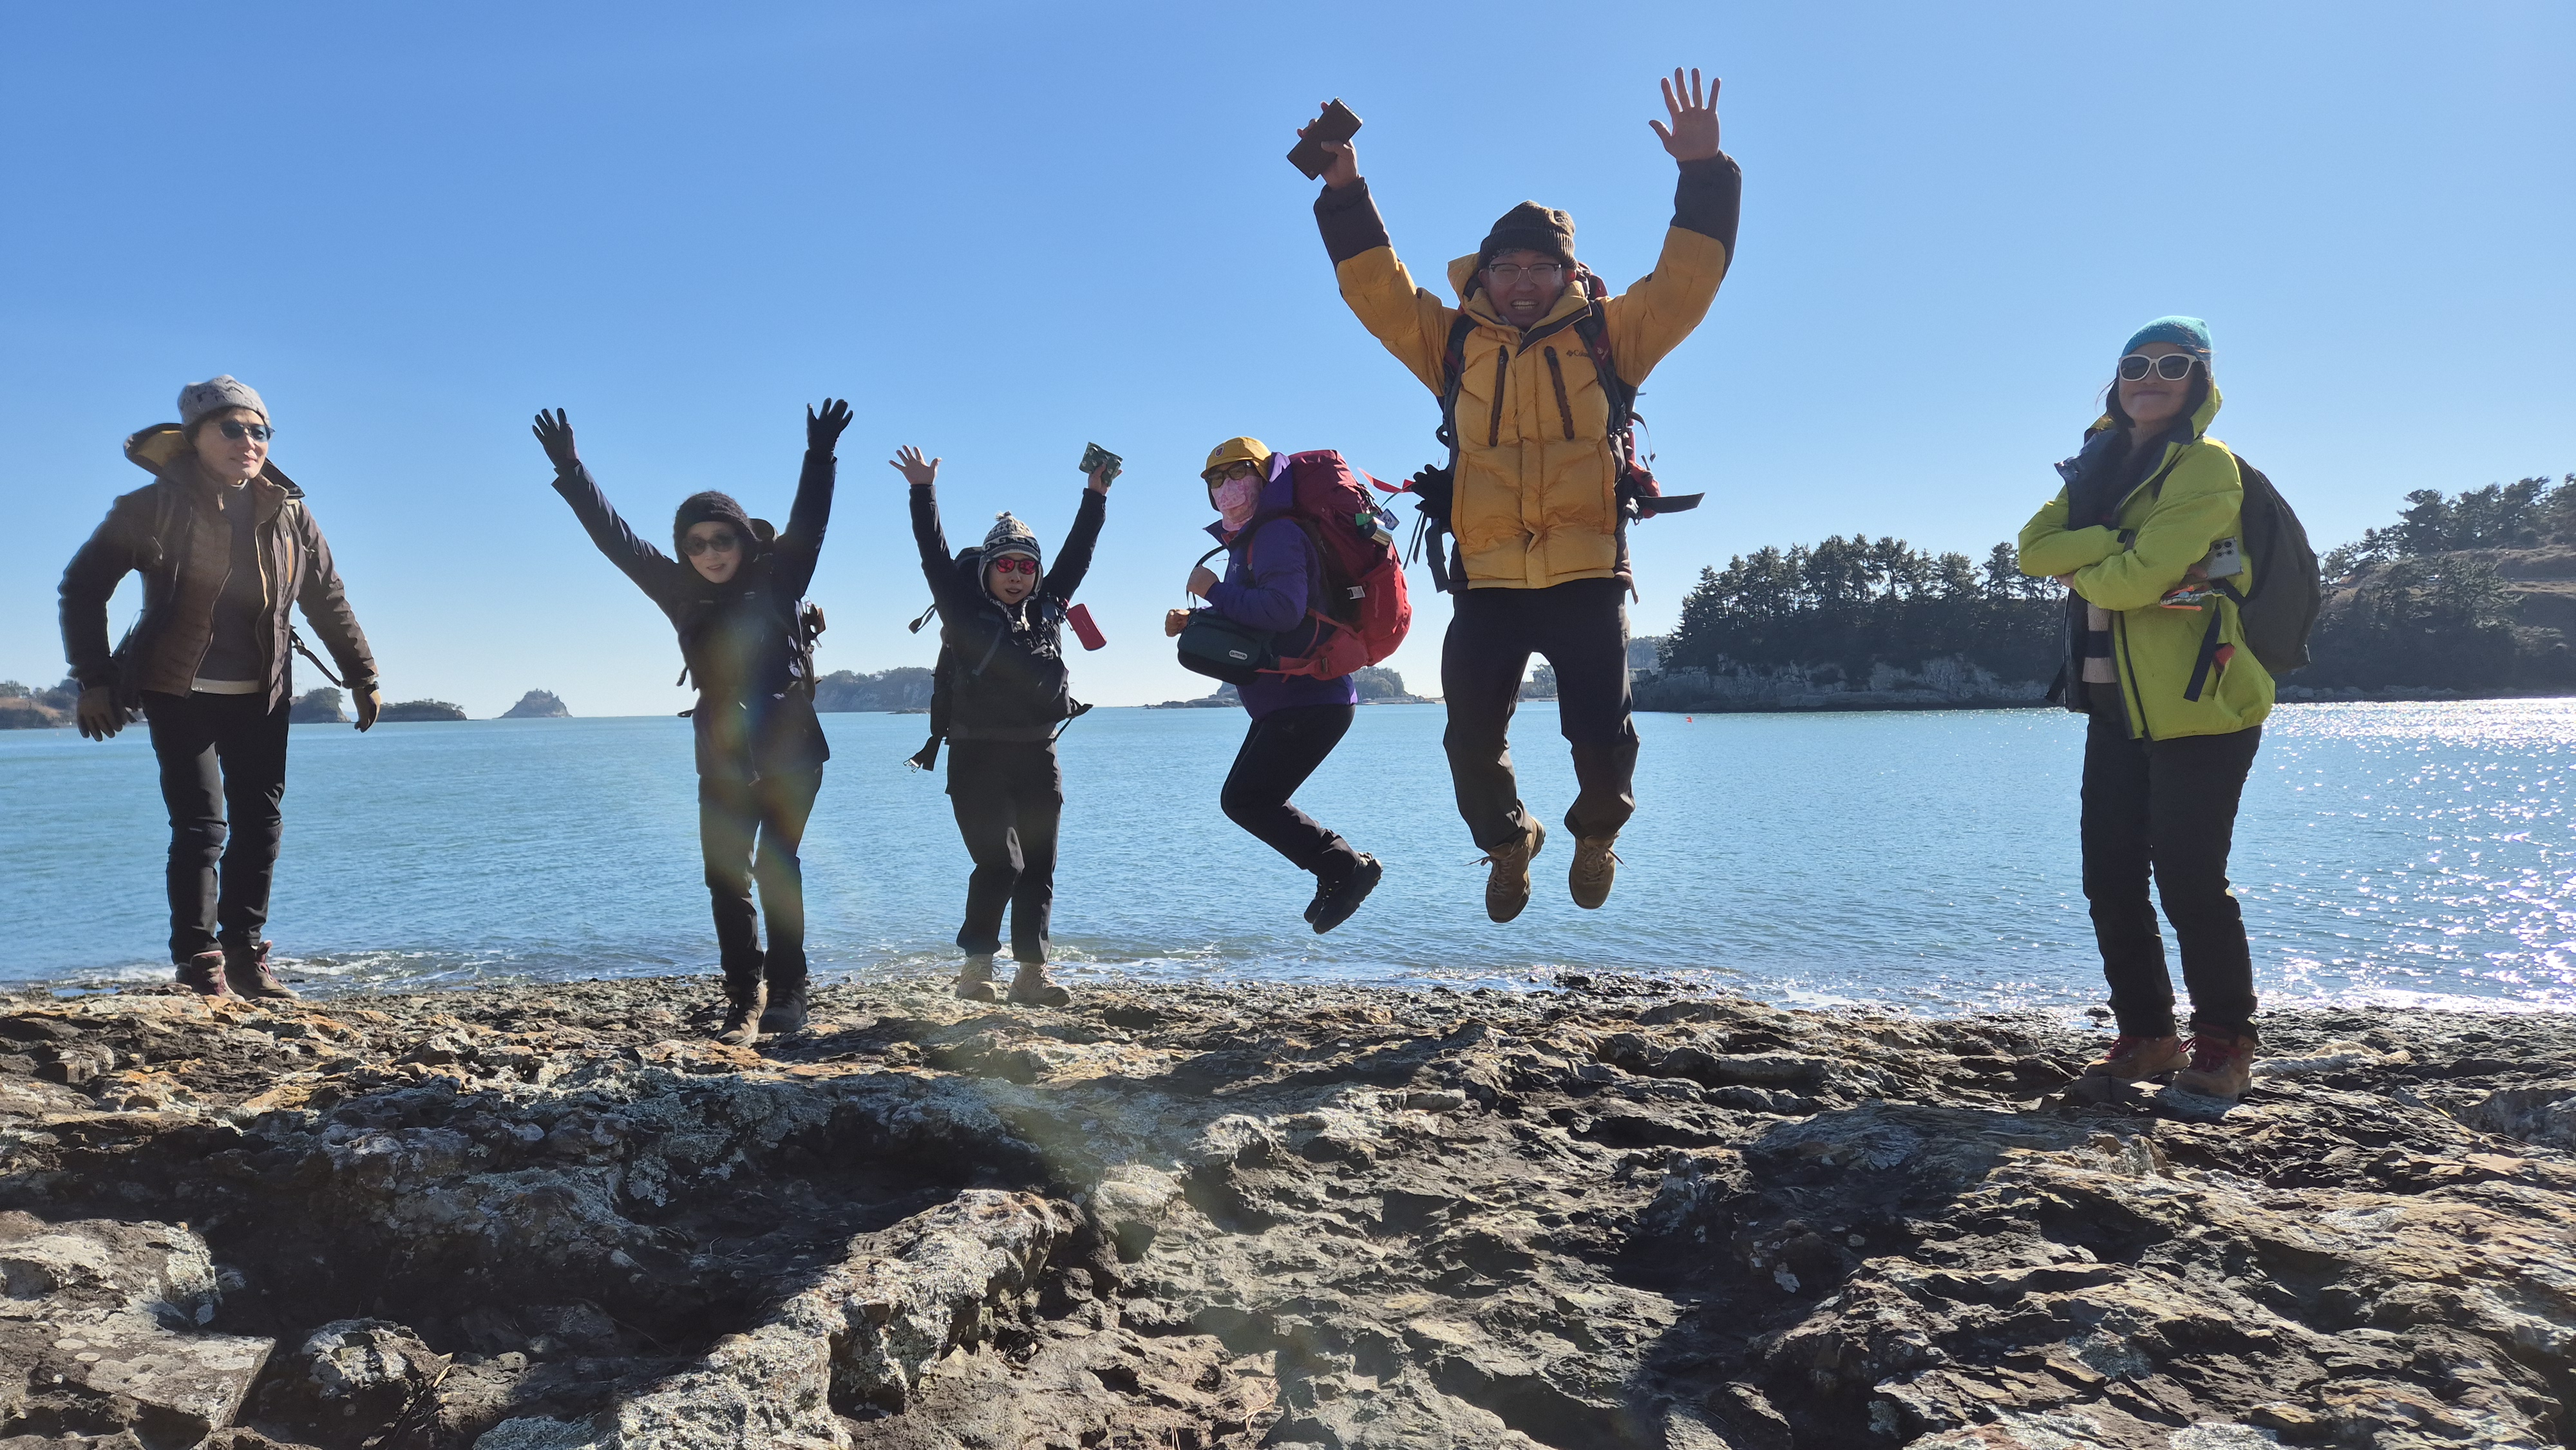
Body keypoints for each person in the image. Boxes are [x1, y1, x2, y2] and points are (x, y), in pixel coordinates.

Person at [1300, 69, 1741, 923]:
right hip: (1488, 582)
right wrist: (1345, 192)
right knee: (1468, 742)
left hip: (1587, 576)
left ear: (1569, 273)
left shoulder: (1612, 337)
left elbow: (1687, 286)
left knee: (1603, 740)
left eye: (1543, 266)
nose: (1525, 281)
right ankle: (1510, 843)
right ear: (1485, 274)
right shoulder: (1452, 344)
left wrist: (1704, 174)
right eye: (1508, 266)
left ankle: (1596, 832)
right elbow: (1378, 294)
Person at [532, 400, 849, 1044]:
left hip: (790, 749)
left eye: (721, 539)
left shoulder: (781, 576)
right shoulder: (677, 588)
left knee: (777, 867)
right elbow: (615, 537)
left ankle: (789, 991)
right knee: (726, 877)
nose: (709, 552)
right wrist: (571, 470)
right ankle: (744, 998)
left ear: (743, 539)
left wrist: (820, 455)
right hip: (722, 750)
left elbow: (809, 523)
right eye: (695, 543)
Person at [59, 376, 381, 999]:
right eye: (232, 428)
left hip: (264, 692)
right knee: (201, 826)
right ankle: (198, 961)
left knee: (261, 825)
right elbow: (83, 588)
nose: (248, 441)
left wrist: (362, 675)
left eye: (261, 431)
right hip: (177, 687)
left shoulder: (289, 513)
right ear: (195, 437)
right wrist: (94, 679)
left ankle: (245, 956)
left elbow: (327, 599)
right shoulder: (151, 507)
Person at [2018, 317, 2273, 1100]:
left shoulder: (2206, 466)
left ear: (2199, 379)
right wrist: (2119, 545)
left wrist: (2093, 561)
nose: (2149, 377)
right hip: (2116, 705)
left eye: (2171, 363)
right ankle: (2149, 1035)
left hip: (2203, 703)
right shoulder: (2095, 461)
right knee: (2110, 878)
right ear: (2117, 380)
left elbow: (2133, 583)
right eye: (2135, 364)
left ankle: (2224, 1044)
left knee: (2190, 881)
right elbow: (2031, 549)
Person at [894, 444, 1110, 1006]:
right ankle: (976, 969)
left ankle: (1031, 975)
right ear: (987, 569)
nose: (1016, 575)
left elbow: (1079, 554)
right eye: (1006, 565)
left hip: (1040, 756)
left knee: (1039, 866)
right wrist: (922, 491)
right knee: (1001, 862)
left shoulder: (1048, 608)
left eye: (1026, 566)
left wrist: (1095, 496)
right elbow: (933, 554)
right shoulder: (962, 610)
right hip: (977, 758)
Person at [1166, 437, 1383, 930]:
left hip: (1310, 700)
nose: (1226, 486)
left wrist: (1213, 590)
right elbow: (1257, 622)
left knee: (1246, 800)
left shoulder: (1276, 533)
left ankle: (1345, 869)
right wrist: (1195, 620)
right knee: (1246, 800)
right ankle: (1338, 870)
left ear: (1266, 479)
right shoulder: (1250, 541)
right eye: (1215, 478)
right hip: (1289, 702)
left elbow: (1282, 611)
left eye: (1238, 473)